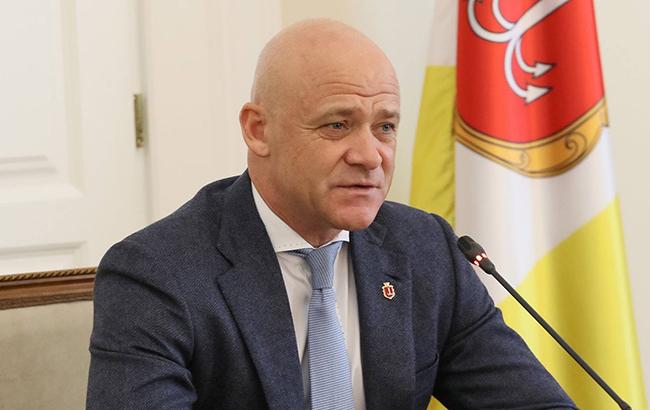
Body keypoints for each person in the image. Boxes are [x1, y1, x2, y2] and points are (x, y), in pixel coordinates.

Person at [87, 19, 576, 409]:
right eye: (337, 125)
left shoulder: (426, 249)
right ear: (258, 130)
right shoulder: (157, 274)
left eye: (385, 127)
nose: (370, 156)